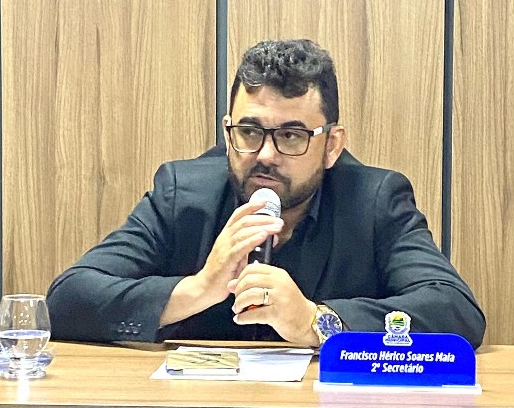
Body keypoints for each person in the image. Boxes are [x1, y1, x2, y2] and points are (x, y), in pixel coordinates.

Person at [46, 39, 485, 348]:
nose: (266, 155)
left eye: (292, 135)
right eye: (250, 131)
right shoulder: (182, 193)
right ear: (228, 131)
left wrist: (317, 321)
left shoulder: (374, 201)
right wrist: (197, 289)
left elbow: (455, 311)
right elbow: (67, 300)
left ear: (331, 145)